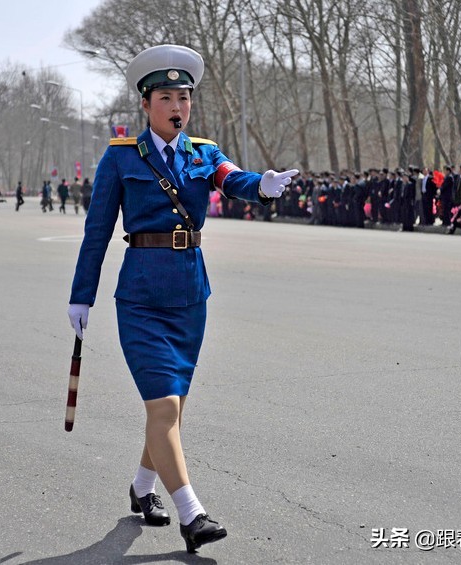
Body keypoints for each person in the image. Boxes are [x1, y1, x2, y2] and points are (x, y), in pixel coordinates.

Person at [67, 44, 298, 554]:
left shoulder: (203, 152)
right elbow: (97, 232)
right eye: (167, 96)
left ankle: (142, 487)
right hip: (142, 299)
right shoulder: (121, 156)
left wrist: (264, 185)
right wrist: (81, 296)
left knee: (172, 409)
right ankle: (192, 514)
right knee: (166, 404)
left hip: (191, 296)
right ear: (146, 103)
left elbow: (232, 180)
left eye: (185, 97)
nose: (177, 106)